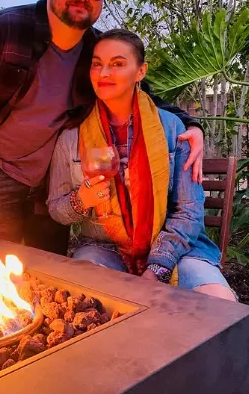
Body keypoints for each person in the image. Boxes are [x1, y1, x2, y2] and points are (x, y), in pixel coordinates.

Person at [0, 0, 204, 256]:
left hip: (54, 179)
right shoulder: (5, 31)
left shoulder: (95, 50)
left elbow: (137, 92)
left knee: (49, 269)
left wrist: (191, 125)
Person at [47, 29, 236, 300]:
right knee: (86, 302)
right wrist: (81, 200)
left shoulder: (172, 129)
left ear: (140, 71)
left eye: (117, 64)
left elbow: (189, 212)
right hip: (104, 247)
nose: (104, 73)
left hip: (177, 248)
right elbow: (56, 208)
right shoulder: (71, 137)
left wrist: (157, 266)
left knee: (220, 304)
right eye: (97, 64)